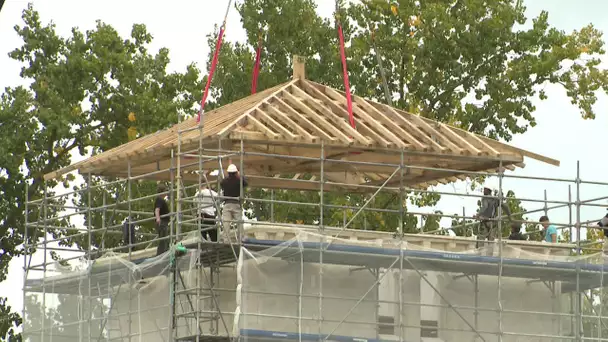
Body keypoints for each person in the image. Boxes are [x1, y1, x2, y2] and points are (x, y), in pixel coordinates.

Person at [220, 164, 248, 242]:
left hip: (227, 204)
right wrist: (240, 175)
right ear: (236, 172)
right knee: (239, 222)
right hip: (236, 203)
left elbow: (221, 183)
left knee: (226, 223)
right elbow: (245, 183)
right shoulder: (239, 181)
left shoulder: (225, 181)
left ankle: (225, 239)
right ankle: (241, 237)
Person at [154, 183, 171, 255]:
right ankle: (161, 254)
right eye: (165, 190)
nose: (166, 192)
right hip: (162, 222)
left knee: (164, 239)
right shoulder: (160, 199)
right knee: (163, 240)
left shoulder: (160, 199)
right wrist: (158, 219)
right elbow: (157, 209)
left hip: (164, 222)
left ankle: (163, 253)